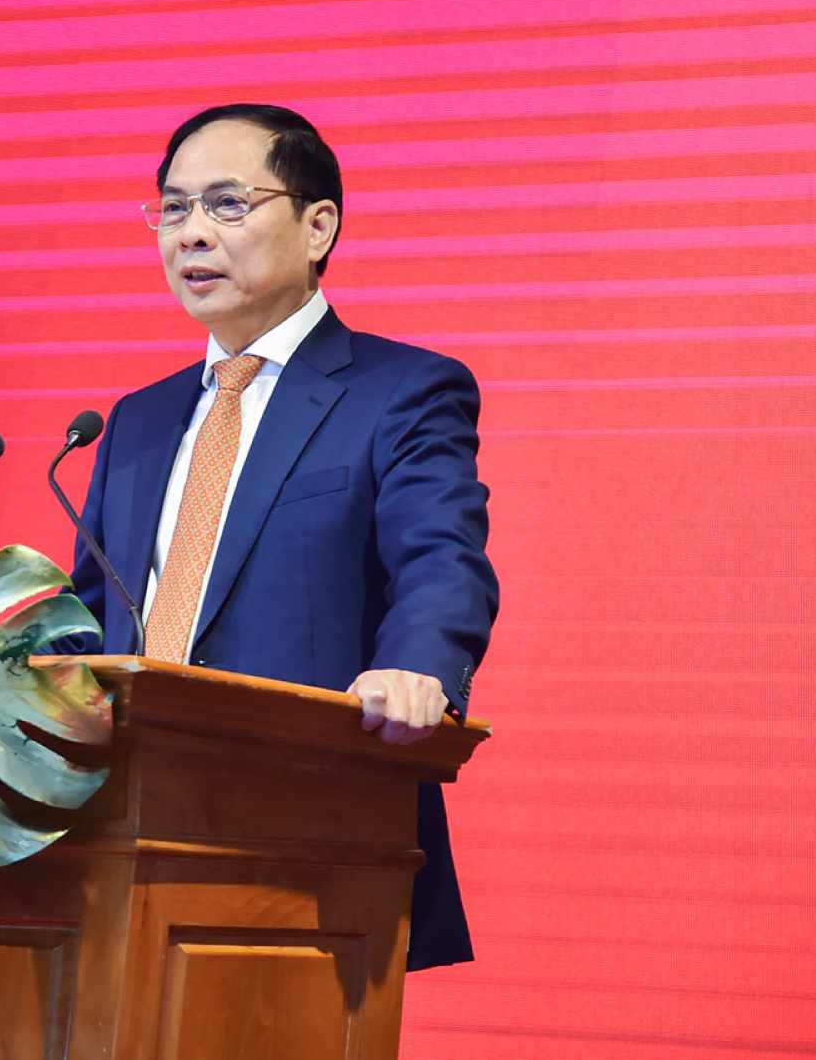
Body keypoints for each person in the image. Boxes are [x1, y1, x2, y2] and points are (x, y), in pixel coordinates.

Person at [68, 103, 499, 969]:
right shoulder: (137, 422)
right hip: (123, 839)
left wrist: (419, 666)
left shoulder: (401, 391)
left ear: (318, 226)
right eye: (174, 208)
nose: (192, 233)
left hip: (311, 840)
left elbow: (440, 557)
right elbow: (89, 620)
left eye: (227, 204)